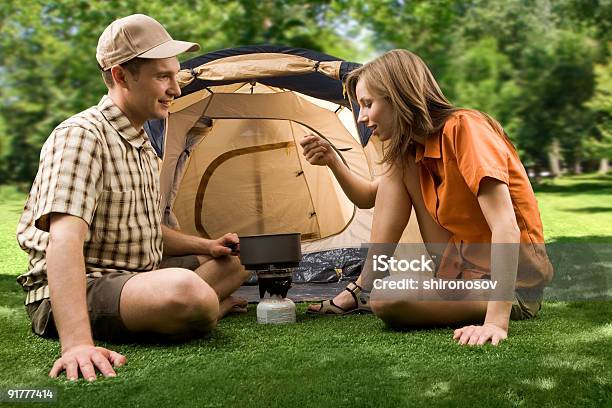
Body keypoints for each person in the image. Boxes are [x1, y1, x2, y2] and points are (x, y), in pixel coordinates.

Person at [16, 14, 250, 381]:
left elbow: (144, 230)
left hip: (137, 277)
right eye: (163, 77)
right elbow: (63, 241)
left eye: (176, 76)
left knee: (241, 258)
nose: (176, 89)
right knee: (189, 293)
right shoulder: (81, 136)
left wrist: (207, 246)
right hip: (84, 287)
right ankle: (204, 309)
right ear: (122, 75)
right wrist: (77, 343)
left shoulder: (142, 143)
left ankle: (193, 308)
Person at [299, 49, 553, 346]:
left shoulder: (466, 128)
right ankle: (361, 289)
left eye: (368, 104)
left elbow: (505, 226)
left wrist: (495, 323)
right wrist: (332, 160)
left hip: (510, 285)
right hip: (460, 273)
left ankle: (371, 293)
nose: (363, 117)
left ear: (399, 96)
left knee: (389, 298)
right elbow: (369, 198)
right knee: (399, 163)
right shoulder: (411, 151)